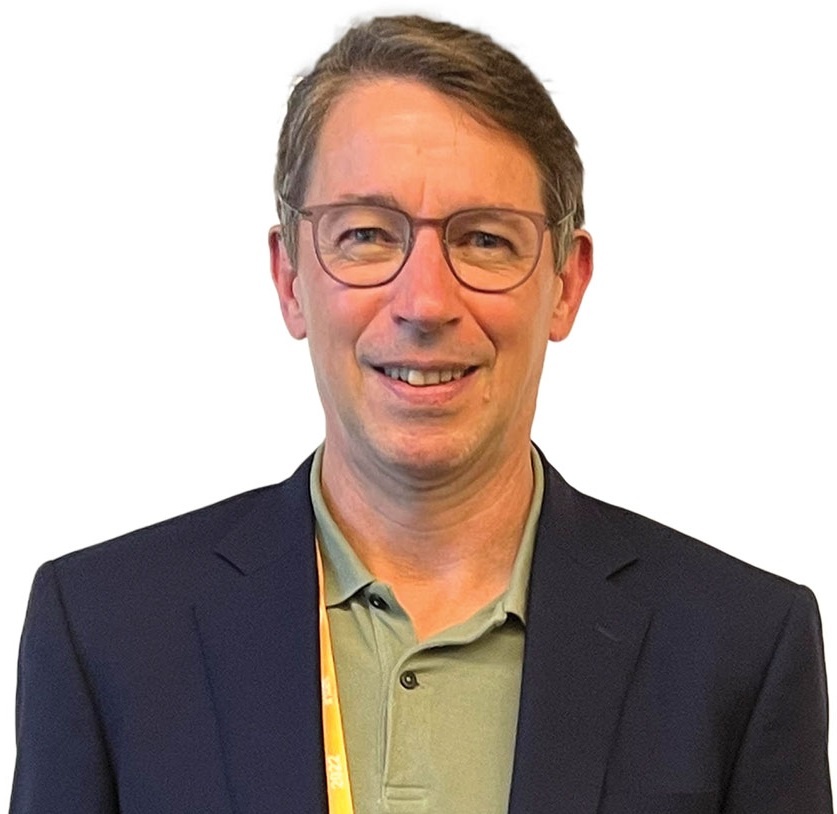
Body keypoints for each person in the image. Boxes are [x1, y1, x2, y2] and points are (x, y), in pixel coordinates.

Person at [9, 14, 831, 814]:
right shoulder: (106, 631)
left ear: (566, 284)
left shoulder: (740, 645)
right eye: (367, 234)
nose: (425, 302)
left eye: (484, 240)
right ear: (290, 279)